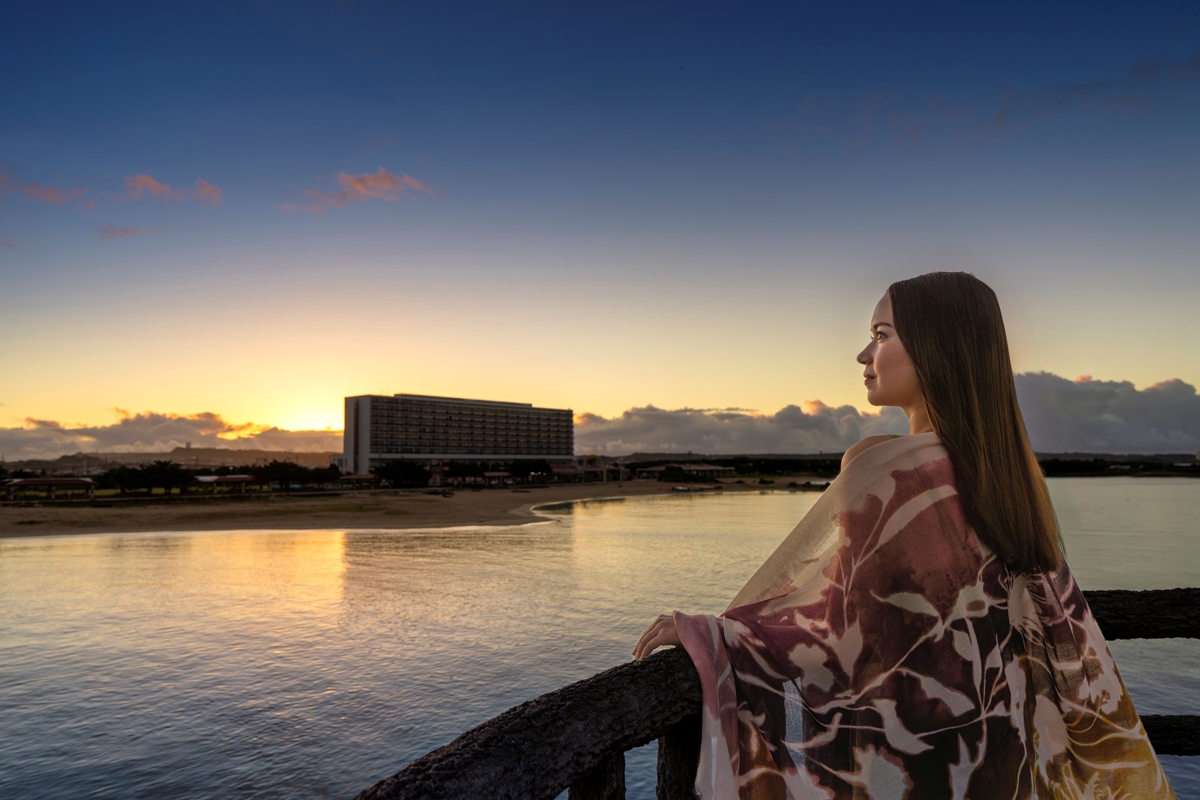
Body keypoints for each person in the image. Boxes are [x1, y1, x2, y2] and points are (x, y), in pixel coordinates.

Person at [633, 272, 1175, 799]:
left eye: (880, 335)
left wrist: (713, 635)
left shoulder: (881, 466)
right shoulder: (1008, 478)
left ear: (936, 348)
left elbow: (838, 631)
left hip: (920, 757)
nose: (863, 355)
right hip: (1009, 754)